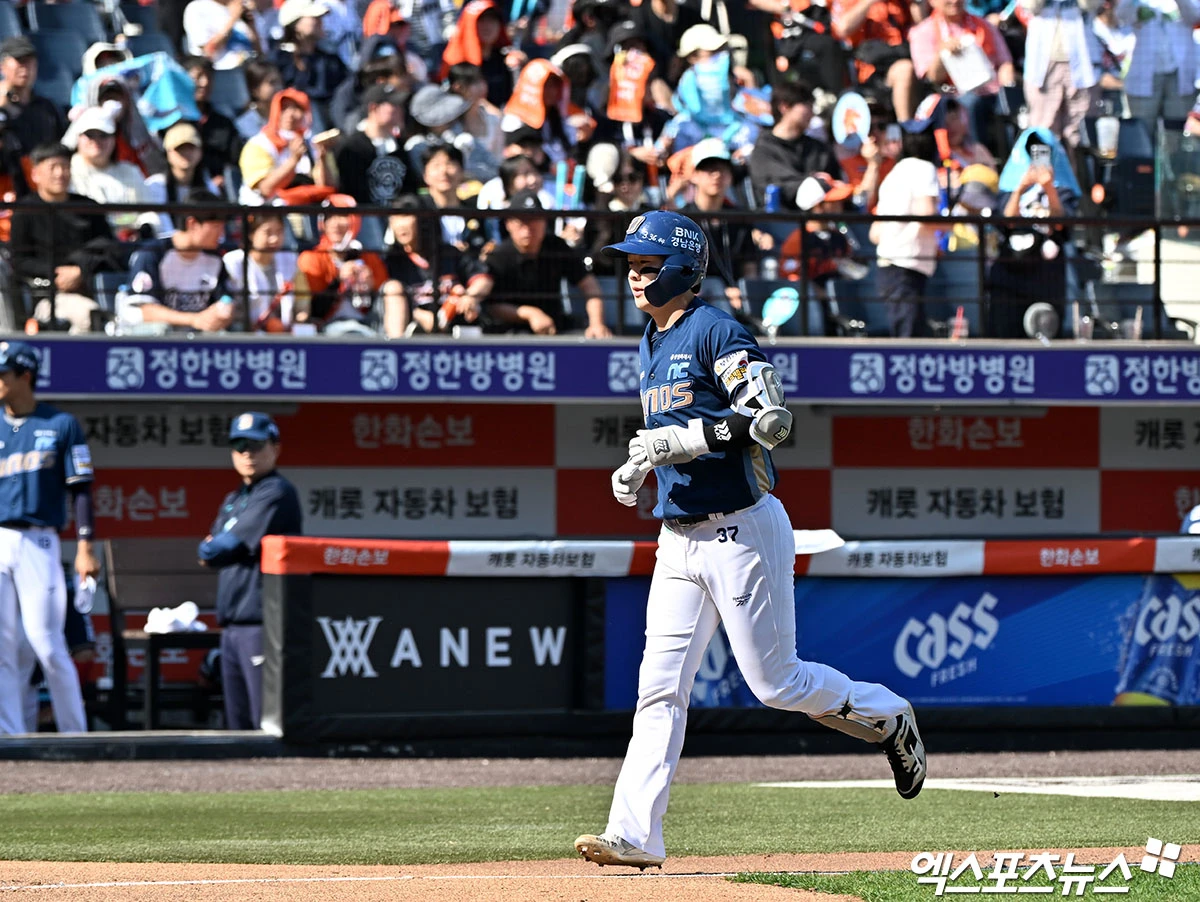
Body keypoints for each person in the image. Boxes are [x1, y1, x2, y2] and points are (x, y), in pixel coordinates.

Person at [574, 210, 926, 870]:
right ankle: (636, 834)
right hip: (678, 537)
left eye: (646, 265)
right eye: (631, 266)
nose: (634, 277)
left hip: (741, 529)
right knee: (659, 688)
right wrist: (641, 464)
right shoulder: (651, 338)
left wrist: (683, 440)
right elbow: (677, 431)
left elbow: (769, 419)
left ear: (682, 268)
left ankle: (888, 714)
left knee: (776, 683)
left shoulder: (716, 329)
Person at [0, 341, 97, 735]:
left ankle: (75, 734)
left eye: (2, 374)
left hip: (38, 541)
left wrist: (86, 546)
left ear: (25, 376)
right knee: (3, 647)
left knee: (46, 643)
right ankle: (10, 735)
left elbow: (82, 489)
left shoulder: (59, 424)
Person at [198, 412, 302, 731]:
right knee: (238, 725)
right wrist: (214, 548)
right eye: (239, 445)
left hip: (262, 622)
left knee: (264, 722)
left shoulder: (277, 491)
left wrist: (215, 547)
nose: (247, 453)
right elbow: (209, 552)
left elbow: (221, 548)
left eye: (256, 445)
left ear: (275, 448)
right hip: (232, 624)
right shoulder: (234, 499)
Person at [10, 143, 117, 334]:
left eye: (65, 167)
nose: (60, 173)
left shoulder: (88, 207)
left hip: (97, 286)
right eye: (53, 167)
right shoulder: (24, 212)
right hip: (48, 295)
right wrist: (57, 273)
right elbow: (19, 260)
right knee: (88, 316)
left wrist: (79, 270)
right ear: (35, 174)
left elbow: (108, 247)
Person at [475, 188, 612, 337]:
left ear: (544, 222)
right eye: (521, 221)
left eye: (534, 220)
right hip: (512, 331)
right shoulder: (499, 256)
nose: (528, 228)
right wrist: (529, 314)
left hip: (556, 326)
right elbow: (492, 306)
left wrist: (597, 323)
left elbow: (589, 285)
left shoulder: (557, 247)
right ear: (509, 224)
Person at [985, 127, 1079, 338]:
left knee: (1045, 339)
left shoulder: (1064, 191)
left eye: (1044, 151)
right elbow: (1007, 223)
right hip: (1009, 275)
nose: (1037, 158)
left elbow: (1061, 225)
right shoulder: (1010, 187)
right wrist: (1020, 188)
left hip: (1046, 278)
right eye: (1032, 151)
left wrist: (1049, 188)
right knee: (1004, 336)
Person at [869, 110, 944, 337]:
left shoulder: (894, 173)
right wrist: (955, 224)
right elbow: (926, 215)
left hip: (890, 268)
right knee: (909, 341)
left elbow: (875, 234)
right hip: (905, 268)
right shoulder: (924, 168)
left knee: (909, 337)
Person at [122, 190, 236, 333]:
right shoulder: (154, 253)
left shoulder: (215, 258)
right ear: (192, 223)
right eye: (216, 227)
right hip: (156, 339)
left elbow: (225, 298)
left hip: (199, 338)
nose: (222, 234)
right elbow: (143, 309)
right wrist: (194, 320)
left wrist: (225, 310)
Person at [747, 80, 843, 211]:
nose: (811, 113)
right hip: (783, 220)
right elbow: (779, 187)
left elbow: (836, 183)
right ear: (784, 107)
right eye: (806, 105)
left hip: (824, 218)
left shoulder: (819, 149)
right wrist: (814, 182)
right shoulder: (764, 150)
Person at [223, 210, 302, 332]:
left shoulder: (290, 259)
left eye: (279, 231)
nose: (274, 239)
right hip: (246, 333)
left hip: (284, 333)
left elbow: (301, 304)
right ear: (251, 234)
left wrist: (298, 323)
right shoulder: (233, 262)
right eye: (267, 232)